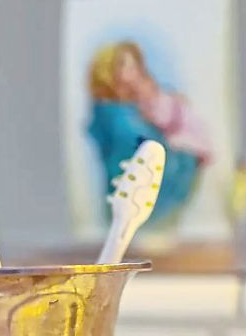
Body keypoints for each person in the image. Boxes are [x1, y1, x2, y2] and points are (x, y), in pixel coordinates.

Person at [87, 41, 211, 224]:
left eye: (135, 65)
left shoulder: (148, 97)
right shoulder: (116, 114)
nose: (133, 72)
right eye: (124, 65)